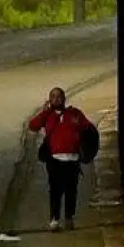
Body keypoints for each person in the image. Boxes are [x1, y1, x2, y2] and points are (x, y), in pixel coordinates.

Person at [27, 87, 92, 231]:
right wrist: (44, 112)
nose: (56, 99)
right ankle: (55, 218)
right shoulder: (48, 115)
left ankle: (69, 218)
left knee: (71, 190)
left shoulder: (75, 114)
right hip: (54, 159)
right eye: (53, 97)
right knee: (55, 190)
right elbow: (33, 126)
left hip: (73, 159)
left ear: (64, 98)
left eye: (59, 96)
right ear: (49, 99)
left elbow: (88, 129)